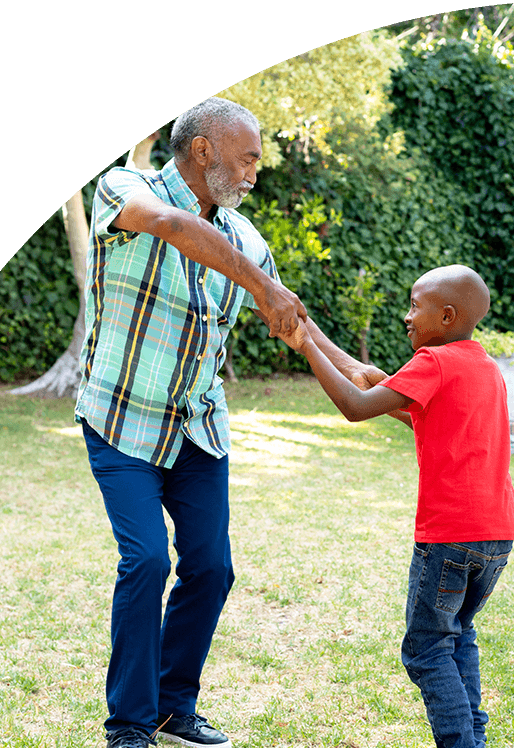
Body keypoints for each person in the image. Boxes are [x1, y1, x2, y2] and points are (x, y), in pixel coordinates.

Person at [74, 97, 388, 748]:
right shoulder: (124, 187)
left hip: (197, 427)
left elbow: (289, 317)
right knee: (147, 562)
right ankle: (129, 725)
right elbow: (171, 224)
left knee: (212, 568)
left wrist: (352, 366)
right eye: (248, 159)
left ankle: (172, 706)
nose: (254, 174)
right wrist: (261, 284)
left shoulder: (248, 240)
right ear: (203, 150)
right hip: (123, 416)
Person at [280, 264, 514, 748]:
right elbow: (423, 417)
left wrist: (304, 346)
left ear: (446, 316)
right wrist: (336, 351)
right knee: (458, 635)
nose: (407, 317)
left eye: (415, 306)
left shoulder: (433, 361)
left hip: (448, 536)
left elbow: (355, 406)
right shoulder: (486, 367)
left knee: (426, 649)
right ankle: (475, 740)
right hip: (496, 536)